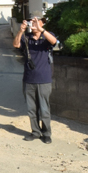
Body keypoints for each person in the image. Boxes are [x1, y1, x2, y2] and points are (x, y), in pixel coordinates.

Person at [13, 16, 59, 144]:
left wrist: (41, 30)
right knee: (31, 109)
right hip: (28, 80)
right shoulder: (26, 38)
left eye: (37, 21)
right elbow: (16, 44)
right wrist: (20, 31)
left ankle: (46, 133)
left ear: (42, 23)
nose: (34, 24)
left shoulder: (47, 36)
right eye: (32, 21)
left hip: (44, 79)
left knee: (44, 109)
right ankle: (35, 132)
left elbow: (55, 42)